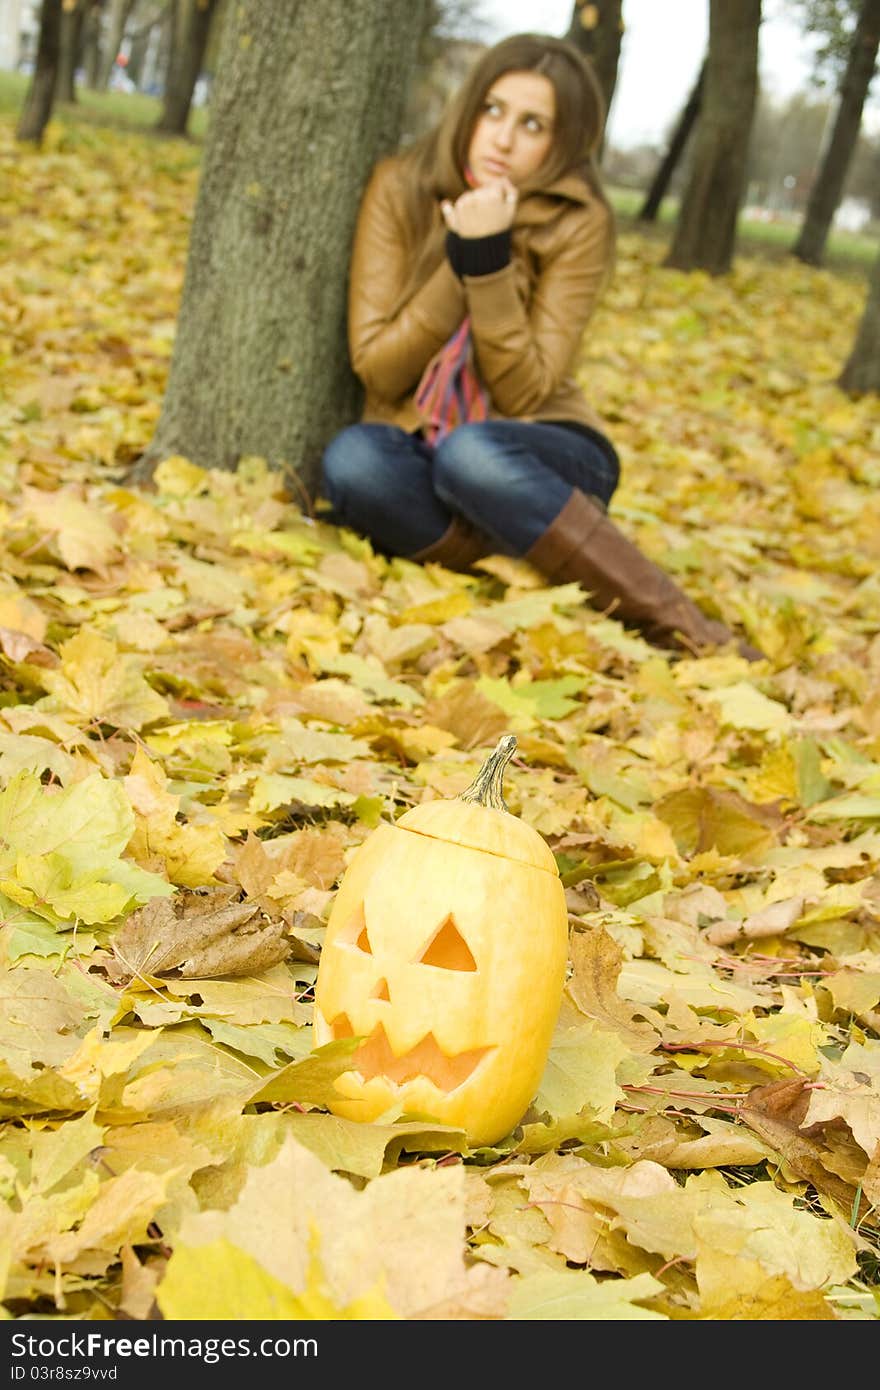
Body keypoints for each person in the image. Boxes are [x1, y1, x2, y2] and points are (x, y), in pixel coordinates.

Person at [320, 32, 760, 659]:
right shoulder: (401, 187)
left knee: (473, 455)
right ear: (468, 109)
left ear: (563, 143)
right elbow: (379, 370)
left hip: (547, 449)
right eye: (493, 110)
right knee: (353, 463)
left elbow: (525, 391)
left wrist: (490, 263)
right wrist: (463, 254)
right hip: (420, 442)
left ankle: (682, 625)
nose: (503, 137)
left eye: (533, 125)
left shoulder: (578, 220)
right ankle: (536, 560)